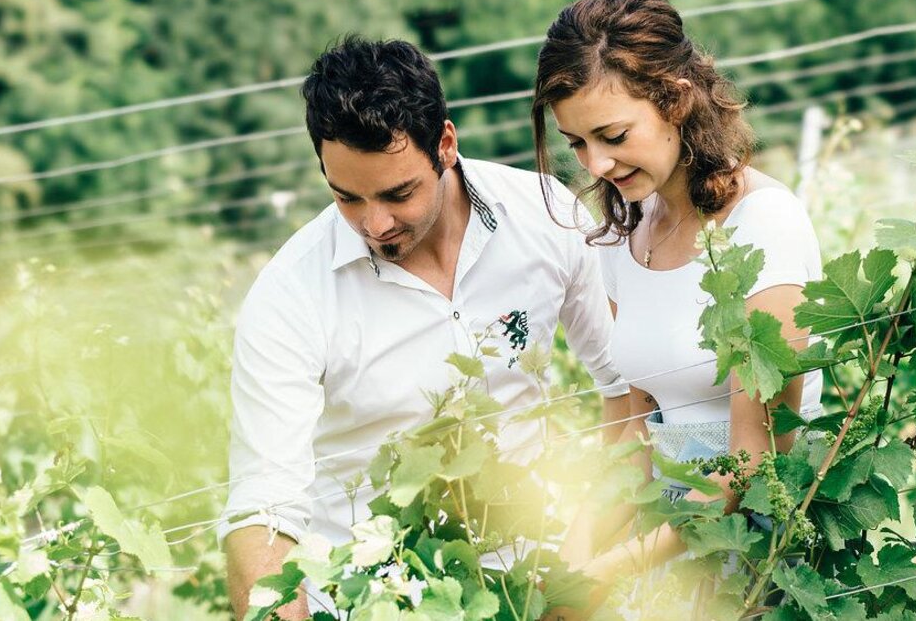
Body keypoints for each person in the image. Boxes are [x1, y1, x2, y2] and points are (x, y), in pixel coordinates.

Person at [219, 36, 627, 620]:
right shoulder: (289, 295)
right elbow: (264, 510)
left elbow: (628, 391)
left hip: (536, 577)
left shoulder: (543, 215)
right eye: (346, 198)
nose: (375, 223)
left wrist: (578, 571)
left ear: (445, 144)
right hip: (372, 597)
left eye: (398, 193)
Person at [531, 0, 824, 610]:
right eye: (578, 142)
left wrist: (610, 569)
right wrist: (570, 558)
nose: (598, 162)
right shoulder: (625, 236)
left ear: (676, 99)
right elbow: (632, 435)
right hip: (661, 539)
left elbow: (756, 458)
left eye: (612, 134)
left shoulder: (763, 225)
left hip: (755, 549)